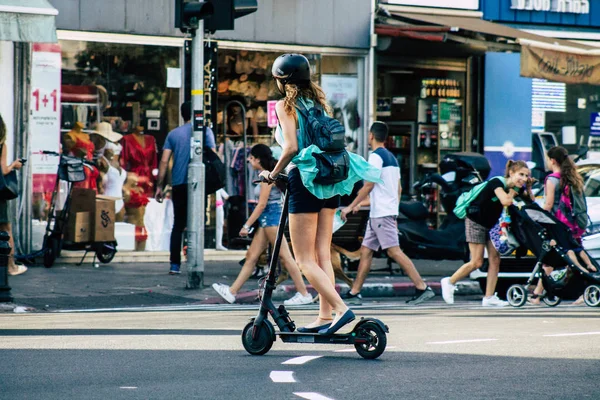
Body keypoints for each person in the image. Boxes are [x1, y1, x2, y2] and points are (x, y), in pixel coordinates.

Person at [260, 54, 381, 334]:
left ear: (281, 80)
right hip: (330, 179)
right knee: (322, 254)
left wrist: (272, 173)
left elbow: (290, 147)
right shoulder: (318, 104)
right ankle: (325, 317)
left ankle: (340, 309)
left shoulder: (284, 106)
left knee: (304, 259)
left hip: (304, 179)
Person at [340, 121, 435, 305]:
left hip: (381, 215)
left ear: (371, 136)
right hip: (382, 213)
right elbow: (396, 189)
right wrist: (389, 209)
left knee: (394, 252)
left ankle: (422, 287)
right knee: (366, 252)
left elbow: (369, 185)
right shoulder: (392, 158)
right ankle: (354, 292)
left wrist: (351, 206)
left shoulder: (376, 157)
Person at [212, 144, 312, 305]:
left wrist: (246, 225)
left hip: (272, 219)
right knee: (252, 256)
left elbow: (261, 205)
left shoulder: (267, 177)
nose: (249, 161)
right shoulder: (270, 174)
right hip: (268, 220)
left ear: (258, 159)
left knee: (286, 257)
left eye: (251, 158)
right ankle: (232, 292)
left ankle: (304, 293)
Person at [441, 160, 533, 307]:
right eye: (521, 174)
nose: (523, 178)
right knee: (477, 262)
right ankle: (449, 281)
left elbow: (531, 202)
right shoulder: (497, 182)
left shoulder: (516, 188)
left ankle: (489, 297)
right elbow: (505, 201)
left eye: (526, 175)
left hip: (491, 225)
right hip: (475, 221)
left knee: (495, 260)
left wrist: (528, 188)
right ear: (511, 173)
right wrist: (514, 189)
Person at [155, 101, 216, 274]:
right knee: (197, 223)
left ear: (182, 114)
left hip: (179, 184)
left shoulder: (173, 134)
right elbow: (213, 155)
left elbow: (164, 161)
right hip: (199, 184)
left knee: (178, 224)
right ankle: (195, 260)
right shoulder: (205, 131)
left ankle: (175, 265)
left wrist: (160, 185)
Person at [530, 146, 596, 305]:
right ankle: (539, 293)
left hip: (558, 226)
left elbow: (549, 204)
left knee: (555, 258)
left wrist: (535, 215)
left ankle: (538, 294)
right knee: (568, 257)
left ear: (552, 160)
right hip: (574, 225)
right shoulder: (572, 176)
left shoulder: (551, 179)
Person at [0, 114, 25, 276]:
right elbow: (3, 170)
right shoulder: (1, 145)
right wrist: (14, 165)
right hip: (0, 195)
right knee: (5, 229)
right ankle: (11, 266)